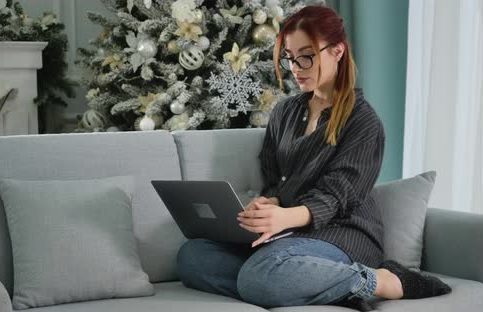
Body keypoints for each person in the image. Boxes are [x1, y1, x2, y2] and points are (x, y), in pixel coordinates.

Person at [177, 5, 451, 311]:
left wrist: (286, 217)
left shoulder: (364, 122)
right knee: (193, 256)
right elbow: (274, 179)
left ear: (337, 51)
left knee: (260, 276)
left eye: (306, 56)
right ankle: (320, 287)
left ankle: (380, 280)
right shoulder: (284, 112)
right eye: (291, 58)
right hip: (289, 234)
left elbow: (338, 196)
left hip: (342, 236)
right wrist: (272, 204)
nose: (296, 67)